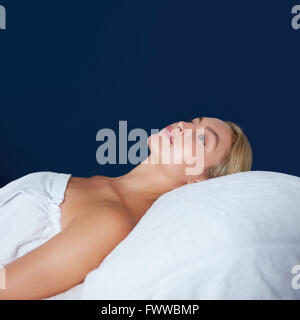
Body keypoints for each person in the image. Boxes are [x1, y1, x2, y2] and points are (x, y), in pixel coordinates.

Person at [0, 116, 252, 299]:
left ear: (198, 181)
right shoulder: (102, 184)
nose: (184, 126)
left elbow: (7, 286)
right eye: (193, 121)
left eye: (201, 138)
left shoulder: (111, 221)